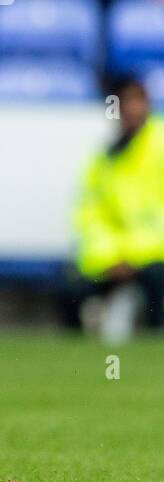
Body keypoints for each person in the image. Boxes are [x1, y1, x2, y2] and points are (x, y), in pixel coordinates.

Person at [61, 76, 164, 332]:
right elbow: (89, 215)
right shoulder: (103, 159)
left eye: (136, 100)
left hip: (153, 256)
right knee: (70, 288)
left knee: (157, 280)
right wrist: (110, 257)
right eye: (124, 102)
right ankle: (78, 360)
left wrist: (131, 256)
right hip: (113, 258)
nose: (131, 109)